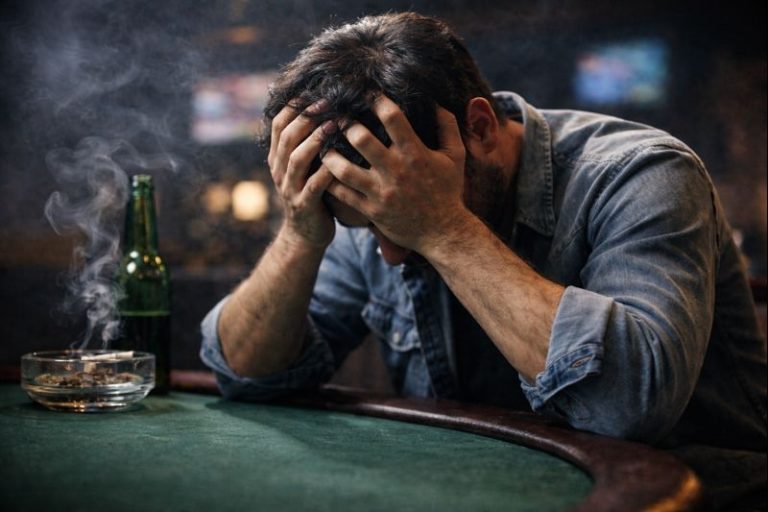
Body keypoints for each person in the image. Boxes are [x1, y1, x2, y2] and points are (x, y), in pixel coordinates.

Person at [200, 12, 766, 510]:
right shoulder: (376, 195)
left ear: (480, 127)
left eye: (400, 220)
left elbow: (629, 405)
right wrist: (302, 231)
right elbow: (246, 374)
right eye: (368, 225)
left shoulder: (642, 173)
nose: (390, 252)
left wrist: (442, 228)